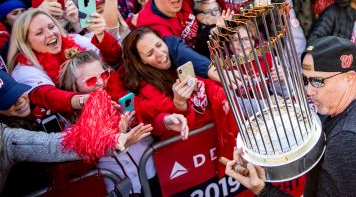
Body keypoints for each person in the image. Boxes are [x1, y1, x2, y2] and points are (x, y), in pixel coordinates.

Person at [225, 36, 356, 197]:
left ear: (349, 78)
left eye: (318, 81)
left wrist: (262, 190)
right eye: (306, 80)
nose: (309, 90)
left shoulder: (349, 139)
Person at [0, 70, 152, 195]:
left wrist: (115, 136)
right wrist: (113, 140)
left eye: (17, 92)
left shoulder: (34, 114)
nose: (19, 101)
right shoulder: (9, 137)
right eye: (8, 101)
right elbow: (56, 146)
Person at [122, 27, 237, 161]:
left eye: (159, 45)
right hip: (191, 157)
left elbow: (209, 88)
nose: (160, 53)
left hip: (219, 142)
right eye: (149, 53)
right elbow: (157, 121)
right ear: (142, 61)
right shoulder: (145, 89)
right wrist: (179, 104)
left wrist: (219, 92)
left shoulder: (181, 63)